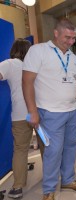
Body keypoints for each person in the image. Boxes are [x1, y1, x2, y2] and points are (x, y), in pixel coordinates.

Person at [22, 18, 76, 200]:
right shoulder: (38, 51)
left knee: (70, 146)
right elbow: (27, 82)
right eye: (67, 37)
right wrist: (32, 111)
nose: (71, 42)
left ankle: (67, 179)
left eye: (73, 38)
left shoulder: (72, 57)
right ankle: (49, 190)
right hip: (50, 112)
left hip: (72, 110)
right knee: (53, 151)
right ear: (56, 33)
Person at [0, 39, 32, 199]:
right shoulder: (34, 65)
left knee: (20, 150)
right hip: (40, 113)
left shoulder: (10, 64)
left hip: (21, 115)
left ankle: (18, 187)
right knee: (47, 145)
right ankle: (53, 179)